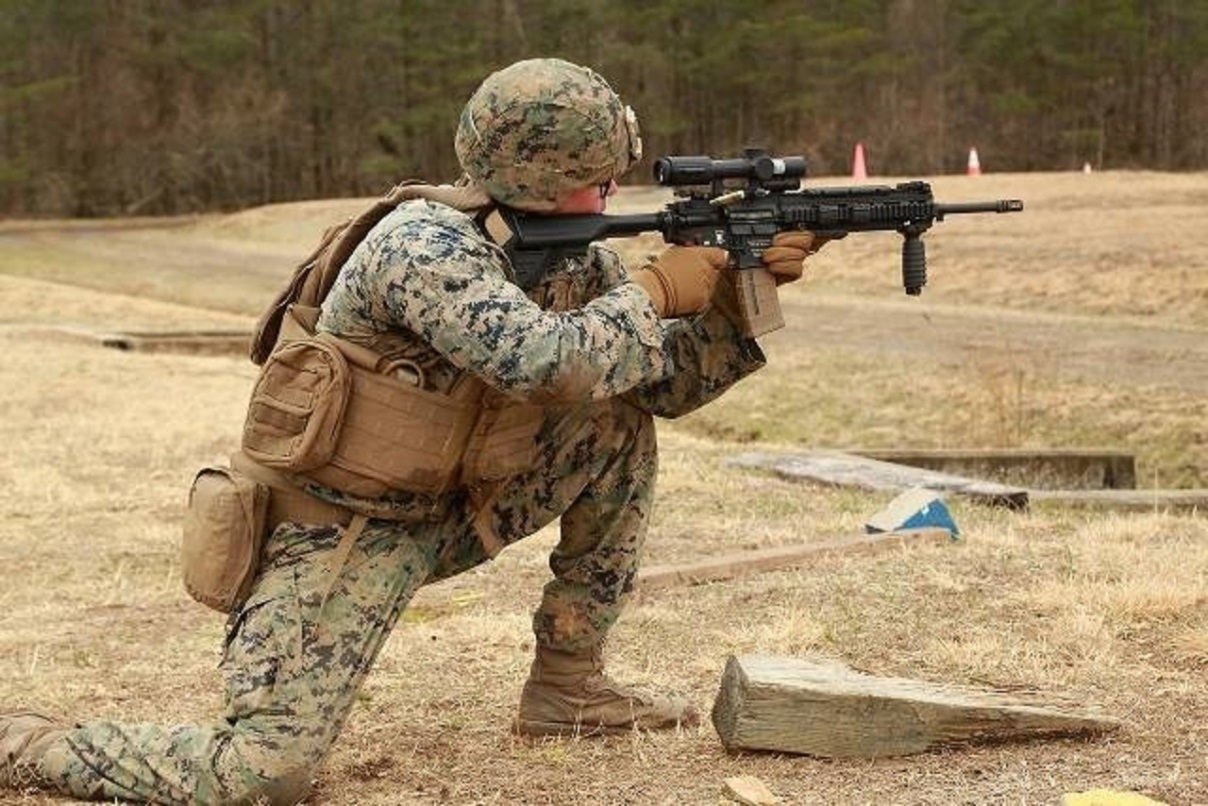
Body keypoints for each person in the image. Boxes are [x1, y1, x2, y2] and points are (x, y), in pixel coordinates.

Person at [1, 57, 824, 804]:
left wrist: (733, 297)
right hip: (331, 534)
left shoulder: (574, 257)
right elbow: (544, 362)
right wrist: (655, 291)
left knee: (616, 422)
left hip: (443, 504)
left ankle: (569, 685)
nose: (612, 191)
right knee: (261, 774)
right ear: (540, 180)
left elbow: (662, 385)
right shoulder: (422, 249)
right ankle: (26, 742)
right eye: (596, 178)